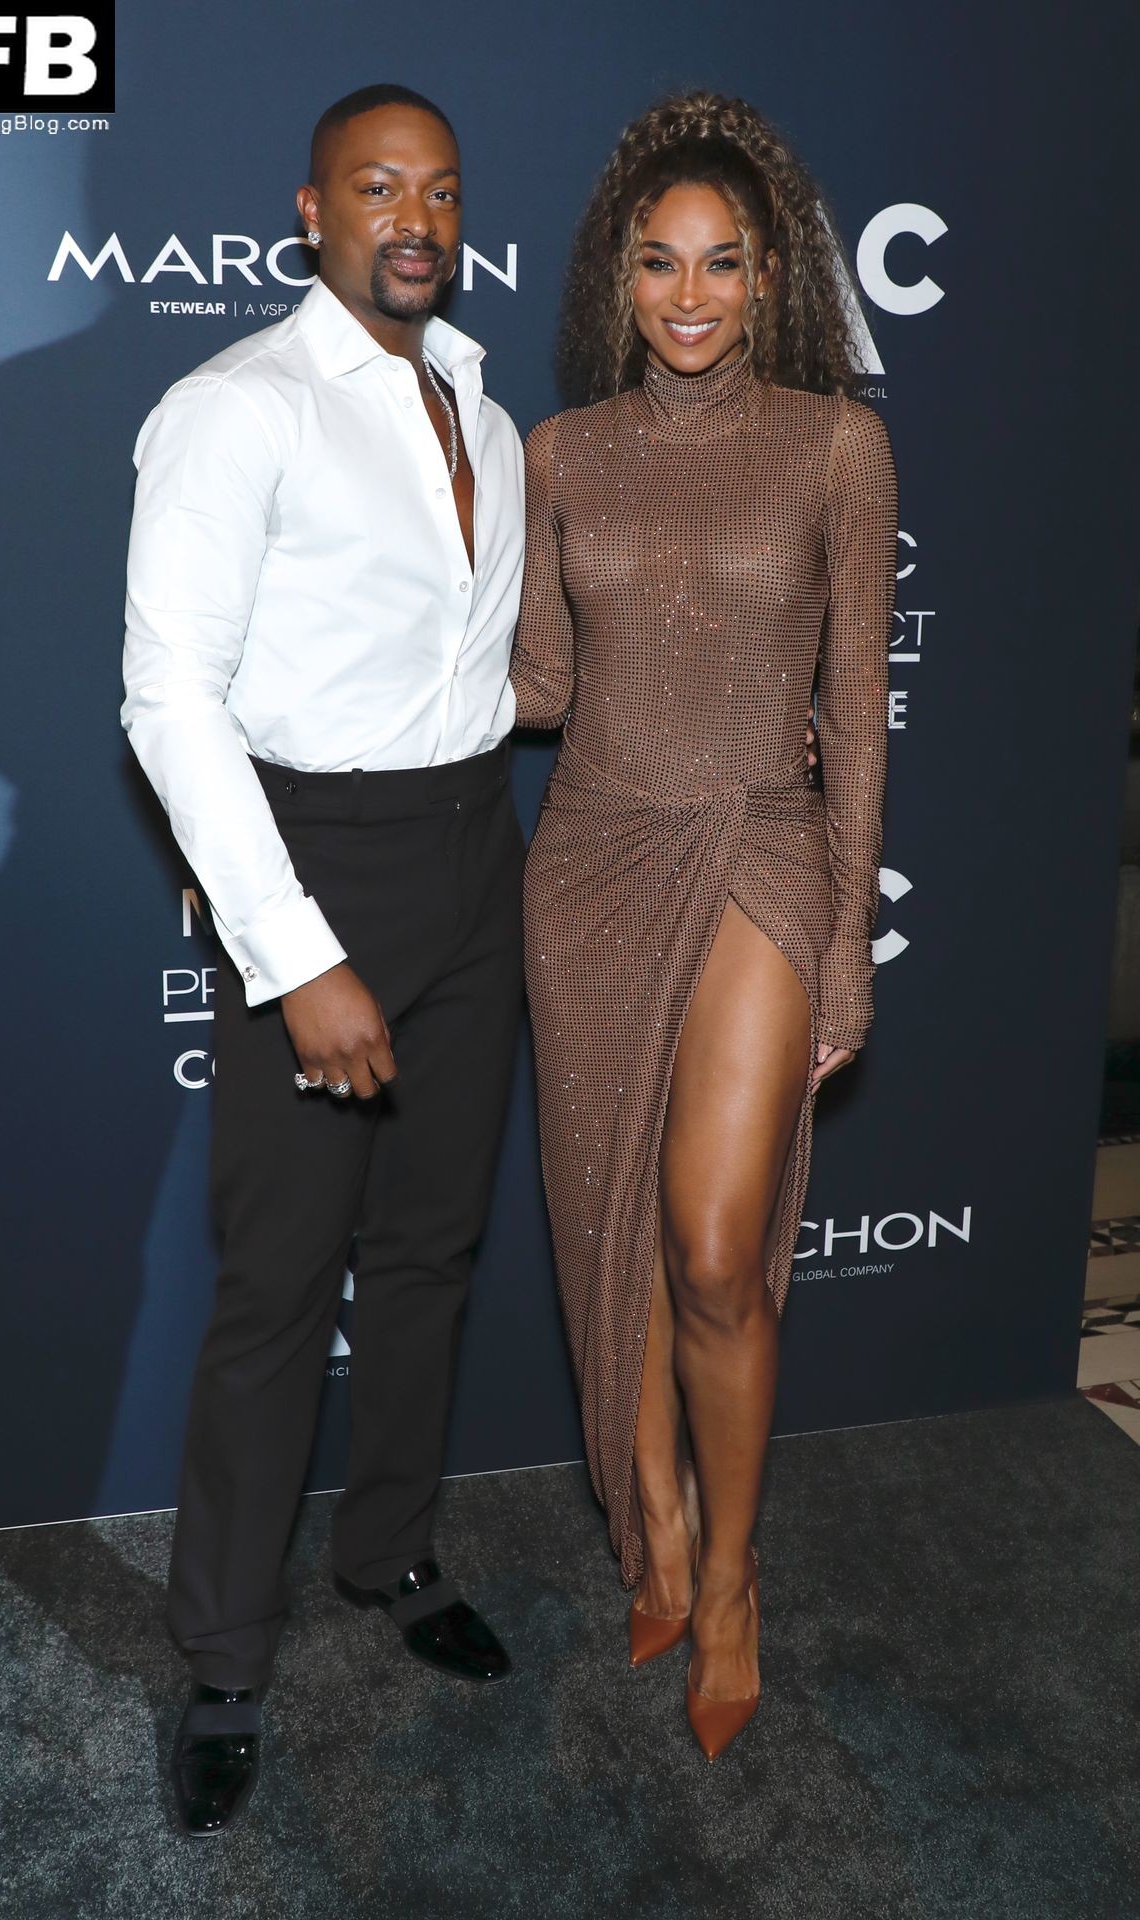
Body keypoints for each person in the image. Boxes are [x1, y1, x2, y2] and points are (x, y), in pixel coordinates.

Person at [122, 83, 526, 1834]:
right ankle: (223, 1657)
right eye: (378, 186)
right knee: (281, 1286)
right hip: (319, 865)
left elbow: (486, 663)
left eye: (440, 190)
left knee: (429, 1251)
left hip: (479, 853)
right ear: (311, 212)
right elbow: (168, 701)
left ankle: (393, 1552)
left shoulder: (482, 404)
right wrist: (295, 956)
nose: (414, 219)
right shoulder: (236, 409)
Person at [512, 91, 897, 1760]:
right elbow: (538, 686)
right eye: (660, 263)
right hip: (588, 868)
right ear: (622, 278)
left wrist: (847, 942)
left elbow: (859, 713)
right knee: (619, 1224)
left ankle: (731, 1579)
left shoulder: (835, 446)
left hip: (759, 851)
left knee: (717, 1248)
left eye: (722, 263)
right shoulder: (559, 455)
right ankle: (654, 1521)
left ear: (768, 280)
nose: (689, 294)